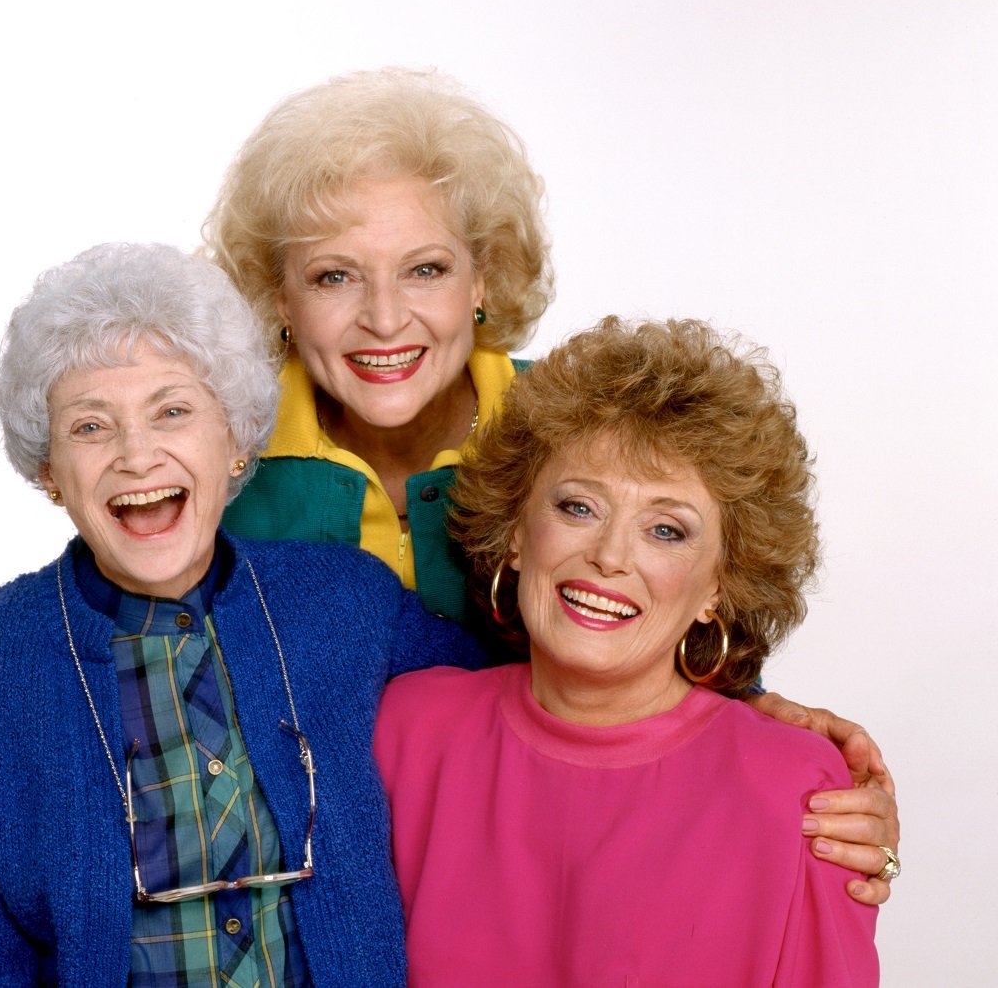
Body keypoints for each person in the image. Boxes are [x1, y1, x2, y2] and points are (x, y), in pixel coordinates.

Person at [0, 70, 897, 981]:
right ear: (277, 302)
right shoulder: (221, 467)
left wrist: (793, 746)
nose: (382, 318)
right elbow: (90, 643)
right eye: (333, 275)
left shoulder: (576, 437)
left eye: (425, 269)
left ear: (484, 278)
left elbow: (662, 619)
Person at [0, 242, 482, 986]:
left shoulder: (349, 601)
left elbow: (533, 702)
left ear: (237, 439)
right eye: (90, 426)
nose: (136, 455)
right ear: (49, 469)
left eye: (172, 410)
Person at [374, 318, 882, 985]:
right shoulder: (406, 730)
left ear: (719, 586)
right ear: (517, 534)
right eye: (578, 507)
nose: (610, 556)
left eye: (666, 529)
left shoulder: (794, 790)